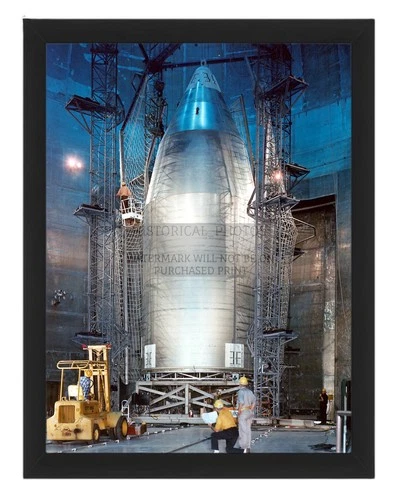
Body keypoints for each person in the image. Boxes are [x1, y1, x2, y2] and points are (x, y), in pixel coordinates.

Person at [237, 376, 256, 453]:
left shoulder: (240, 392)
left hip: (243, 412)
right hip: (249, 412)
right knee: (248, 429)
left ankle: (243, 447)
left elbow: (241, 402)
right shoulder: (250, 392)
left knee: (242, 430)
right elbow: (254, 402)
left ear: (240, 384)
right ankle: (248, 447)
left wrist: (239, 411)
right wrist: (251, 410)